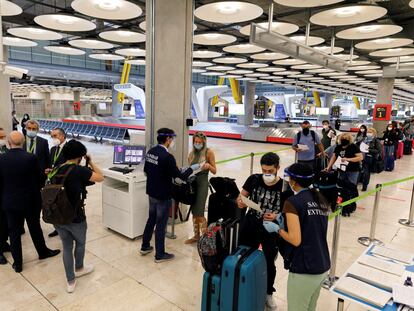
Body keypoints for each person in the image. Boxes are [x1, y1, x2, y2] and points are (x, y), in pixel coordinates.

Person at [237, 152, 291, 310]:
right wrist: (241, 202)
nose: (267, 174)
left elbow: (288, 211)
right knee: (244, 255)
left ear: (278, 168)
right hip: (251, 224)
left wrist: (276, 215)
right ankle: (244, 286)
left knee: (269, 261)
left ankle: (268, 292)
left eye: (270, 171)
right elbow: (241, 197)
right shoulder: (253, 179)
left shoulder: (285, 186)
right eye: (264, 170)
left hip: (271, 228)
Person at [0, 131, 60, 272]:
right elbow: (40, 179)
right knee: (34, 227)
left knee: (13, 232)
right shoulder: (31, 158)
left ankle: (18, 263)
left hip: (10, 201)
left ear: (8, 143)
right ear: (22, 143)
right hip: (30, 200)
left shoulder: (1, 159)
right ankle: (42, 252)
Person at [51, 140, 104, 293]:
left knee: (67, 247)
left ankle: (70, 281)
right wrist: (91, 161)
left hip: (58, 216)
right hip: (75, 217)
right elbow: (101, 177)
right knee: (80, 244)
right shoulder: (79, 170)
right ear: (80, 155)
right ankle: (79, 268)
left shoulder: (56, 169)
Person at [140, 128, 200, 263]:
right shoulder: (168, 157)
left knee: (151, 219)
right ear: (168, 140)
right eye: (172, 139)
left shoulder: (151, 152)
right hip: (163, 195)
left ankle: (145, 246)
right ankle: (159, 254)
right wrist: (192, 168)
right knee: (161, 225)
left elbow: (146, 170)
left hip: (151, 192)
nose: (172, 141)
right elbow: (180, 177)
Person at [277, 163, 330, 311]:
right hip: (322, 263)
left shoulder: (292, 202)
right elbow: (311, 224)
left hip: (304, 268)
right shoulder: (320, 198)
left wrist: (278, 230)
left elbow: (295, 239)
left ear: (294, 181)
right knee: (310, 307)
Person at [185, 132, 217, 244]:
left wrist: (208, 166)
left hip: (202, 184)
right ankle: (196, 236)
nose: (197, 144)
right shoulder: (191, 154)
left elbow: (214, 170)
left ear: (203, 142)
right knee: (194, 212)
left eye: (199, 142)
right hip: (193, 184)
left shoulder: (209, 152)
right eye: (195, 142)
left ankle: (206, 238)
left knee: (199, 212)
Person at [47, 128, 68, 238]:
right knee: (55, 205)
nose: (53, 138)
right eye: (52, 136)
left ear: (62, 136)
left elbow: (72, 165)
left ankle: (67, 228)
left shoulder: (70, 148)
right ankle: (58, 228)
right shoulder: (53, 149)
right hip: (54, 181)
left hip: (66, 182)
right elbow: (52, 163)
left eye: (55, 136)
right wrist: (50, 170)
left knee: (65, 205)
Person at [23, 120, 51, 185]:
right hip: (24, 173)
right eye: (29, 128)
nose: (31, 130)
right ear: (25, 128)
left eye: (33, 129)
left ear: (37, 130)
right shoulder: (21, 140)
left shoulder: (43, 142)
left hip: (39, 175)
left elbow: (47, 158)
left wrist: (48, 170)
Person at [0, 128, 10, 265]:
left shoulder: (6, 151)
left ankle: (3, 243)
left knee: (3, 221)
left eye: (3, 136)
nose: (2, 139)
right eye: (0, 137)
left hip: (5, 192)